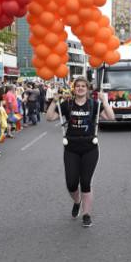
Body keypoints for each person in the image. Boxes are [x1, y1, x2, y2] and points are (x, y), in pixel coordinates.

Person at [46, 77, 114, 227]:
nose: (81, 88)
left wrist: (104, 101)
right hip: (71, 148)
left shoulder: (94, 105)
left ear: (88, 89)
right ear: (74, 89)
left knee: (85, 182)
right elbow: (49, 117)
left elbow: (111, 117)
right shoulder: (67, 104)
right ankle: (77, 201)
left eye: (84, 86)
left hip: (90, 147)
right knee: (71, 183)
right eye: (78, 86)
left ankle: (86, 213)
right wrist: (53, 101)